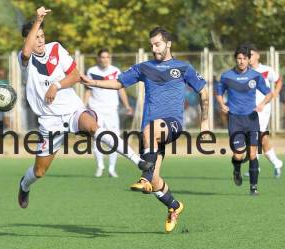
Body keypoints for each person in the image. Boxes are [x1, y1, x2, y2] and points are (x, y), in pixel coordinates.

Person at [17, 7, 151, 211]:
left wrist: (57, 85)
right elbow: (26, 51)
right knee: (39, 172)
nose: (41, 40)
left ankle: (137, 160)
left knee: (92, 126)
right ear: (28, 39)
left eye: (43, 36)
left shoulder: (56, 49)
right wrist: (37, 20)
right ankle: (24, 185)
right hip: (49, 120)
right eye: (36, 37)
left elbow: (75, 76)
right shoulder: (25, 59)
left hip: (72, 110)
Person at [81, 27, 209, 233]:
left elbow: (204, 91)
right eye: (151, 45)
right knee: (155, 181)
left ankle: (145, 177)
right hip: (149, 133)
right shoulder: (144, 67)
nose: (154, 48)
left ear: (168, 44)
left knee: (151, 139)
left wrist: (204, 122)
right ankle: (174, 206)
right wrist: (92, 82)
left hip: (171, 123)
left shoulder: (183, 68)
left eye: (157, 44)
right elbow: (118, 83)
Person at [216, 45, 272, 195]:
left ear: (249, 59)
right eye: (239, 58)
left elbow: (269, 94)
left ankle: (254, 188)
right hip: (235, 120)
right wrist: (222, 104)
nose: (241, 61)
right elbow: (219, 92)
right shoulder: (227, 76)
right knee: (238, 155)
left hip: (252, 119)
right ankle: (237, 169)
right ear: (236, 59)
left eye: (244, 58)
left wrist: (262, 104)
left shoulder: (255, 76)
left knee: (253, 154)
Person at [84, 48, 133, 178]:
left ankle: (112, 168)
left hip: (111, 110)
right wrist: (83, 106)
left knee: (114, 138)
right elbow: (88, 91)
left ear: (109, 58)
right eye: (102, 57)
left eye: (107, 57)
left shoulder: (115, 71)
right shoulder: (91, 71)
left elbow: (121, 90)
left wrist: (127, 106)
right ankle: (100, 166)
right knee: (96, 138)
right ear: (98, 58)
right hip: (96, 109)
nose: (105, 59)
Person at [246, 44, 283, 178]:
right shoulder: (245, 71)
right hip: (249, 108)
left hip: (263, 107)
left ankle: (255, 166)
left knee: (257, 135)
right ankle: (276, 163)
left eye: (251, 55)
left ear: (257, 55)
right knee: (261, 137)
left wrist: (275, 93)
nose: (248, 58)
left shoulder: (266, 70)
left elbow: (279, 80)